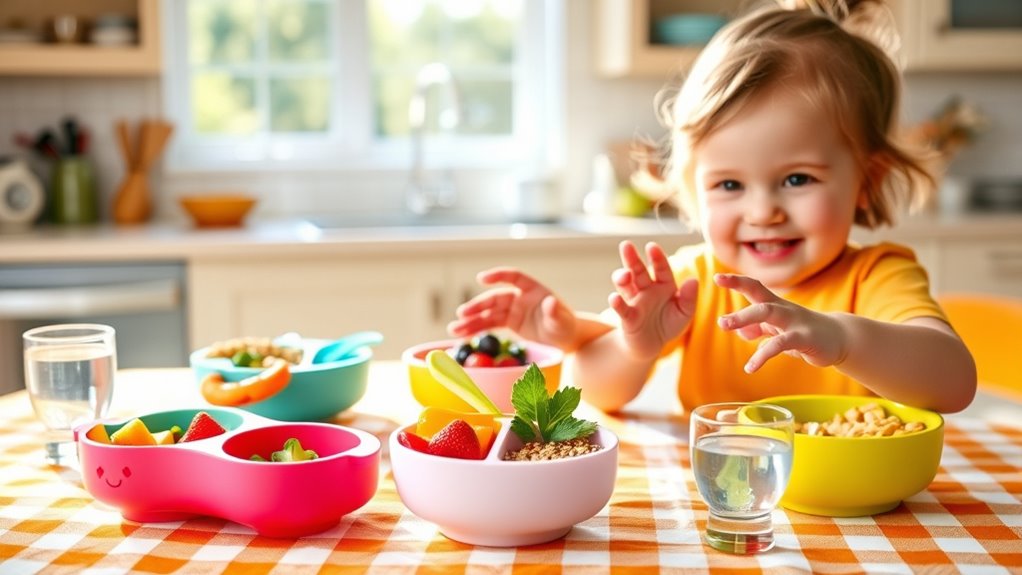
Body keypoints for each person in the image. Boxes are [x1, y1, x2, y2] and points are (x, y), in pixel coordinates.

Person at [448, 0, 976, 415]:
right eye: (729, 184)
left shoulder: (878, 277)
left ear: (867, 181)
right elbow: (596, 393)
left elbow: (953, 382)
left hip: (854, 519)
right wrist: (637, 346)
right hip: (724, 508)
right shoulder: (696, 280)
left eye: (797, 179)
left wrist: (840, 338)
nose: (763, 211)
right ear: (692, 189)